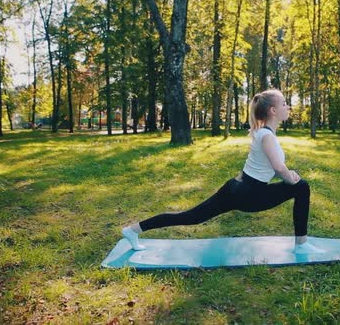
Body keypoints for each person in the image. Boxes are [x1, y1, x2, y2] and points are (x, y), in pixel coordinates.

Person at [122, 89, 324, 254]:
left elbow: (277, 167)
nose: (287, 106)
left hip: (237, 187)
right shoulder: (267, 136)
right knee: (302, 187)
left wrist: (291, 175)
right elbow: (278, 168)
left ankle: (133, 230)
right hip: (250, 194)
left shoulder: (263, 133)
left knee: (190, 216)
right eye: (283, 104)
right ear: (273, 110)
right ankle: (301, 244)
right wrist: (291, 177)